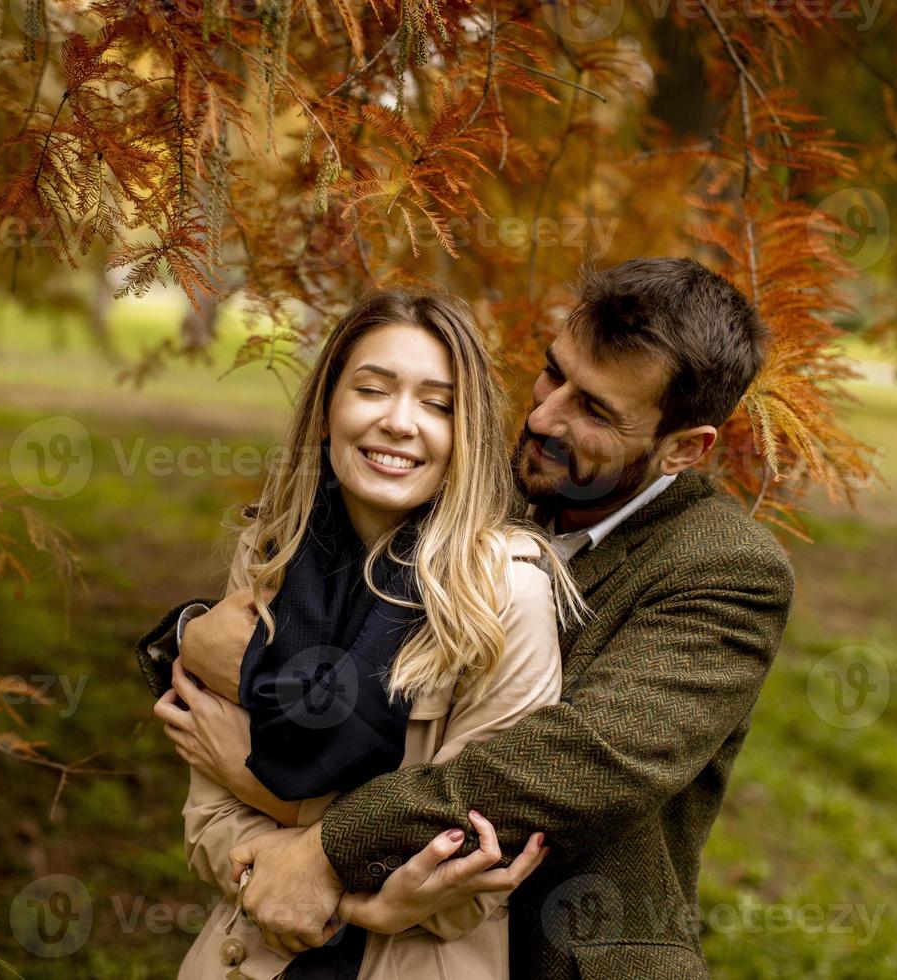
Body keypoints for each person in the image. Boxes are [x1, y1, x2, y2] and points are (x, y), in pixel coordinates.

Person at [153, 257, 798, 980]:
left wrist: (320, 841)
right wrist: (189, 637)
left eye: (595, 411)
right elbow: (314, 590)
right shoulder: (471, 490)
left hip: (563, 953)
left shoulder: (723, 569)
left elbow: (581, 760)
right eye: (555, 374)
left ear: (684, 447)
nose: (544, 416)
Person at [140, 290, 582, 979]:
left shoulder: (504, 592)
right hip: (248, 956)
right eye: (372, 390)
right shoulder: (270, 554)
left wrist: (263, 792)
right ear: (326, 409)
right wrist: (361, 896)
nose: (400, 423)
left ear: (465, 431)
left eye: (438, 405)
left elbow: (471, 872)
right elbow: (205, 825)